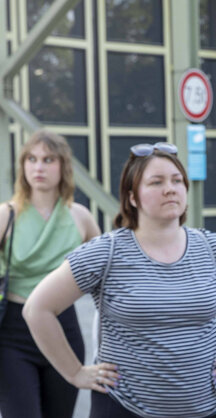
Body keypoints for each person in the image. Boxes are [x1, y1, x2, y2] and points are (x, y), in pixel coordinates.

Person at [24, 143, 216, 417]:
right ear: (132, 197)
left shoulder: (211, 248)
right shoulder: (106, 252)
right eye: (156, 182)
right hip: (124, 407)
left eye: (177, 180)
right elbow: (37, 309)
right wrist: (75, 373)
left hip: (206, 408)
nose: (170, 188)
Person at [0, 130, 100, 417]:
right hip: (12, 334)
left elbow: (107, 276)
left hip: (63, 330)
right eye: (31, 159)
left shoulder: (80, 217)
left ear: (63, 166)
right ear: (23, 166)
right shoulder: (7, 215)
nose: (38, 167)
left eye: (48, 159)